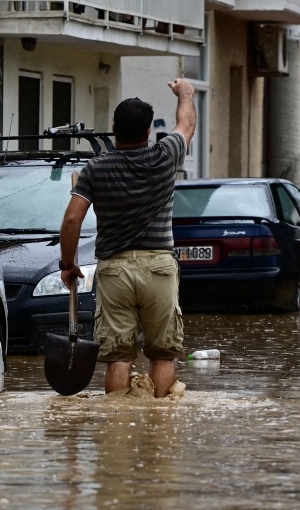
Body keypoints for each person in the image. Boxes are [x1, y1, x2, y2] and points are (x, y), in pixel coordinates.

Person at [58, 80, 196, 398]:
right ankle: (160, 431)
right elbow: (186, 123)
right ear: (149, 132)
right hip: (159, 268)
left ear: (113, 128)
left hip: (114, 271)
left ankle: (118, 433)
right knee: (162, 353)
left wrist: (69, 265)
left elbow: (71, 219)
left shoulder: (96, 168)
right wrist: (186, 93)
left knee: (118, 357)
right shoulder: (166, 156)